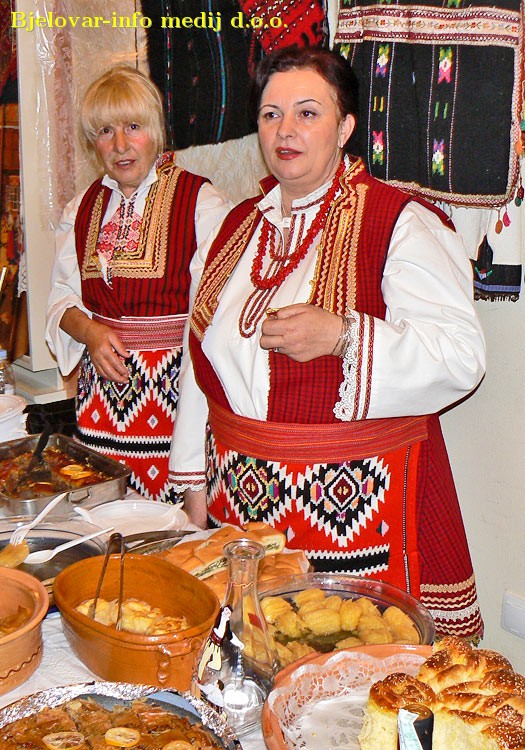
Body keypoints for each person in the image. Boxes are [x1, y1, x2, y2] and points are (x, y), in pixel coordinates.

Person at [169, 47, 486, 639]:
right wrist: (190, 480)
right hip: (244, 514)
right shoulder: (234, 227)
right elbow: (198, 357)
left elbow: (461, 357)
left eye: (307, 113)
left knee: (350, 671)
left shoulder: (399, 222)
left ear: (345, 128)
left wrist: (342, 336)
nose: (285, 130)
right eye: (270, 114)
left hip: (358, 521)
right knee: (251, 663)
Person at [46, 65, 230, 503]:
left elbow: (217, 318)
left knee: (171, 534)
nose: (120, 145)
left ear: (156, 131)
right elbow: (61, 300)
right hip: (100, 412)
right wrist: (90, 333)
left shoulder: (202, 203)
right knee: (102, 524)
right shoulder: (81, 209)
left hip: (178, 411)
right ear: (93, 142)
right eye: (105, 131)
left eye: (133, 127)